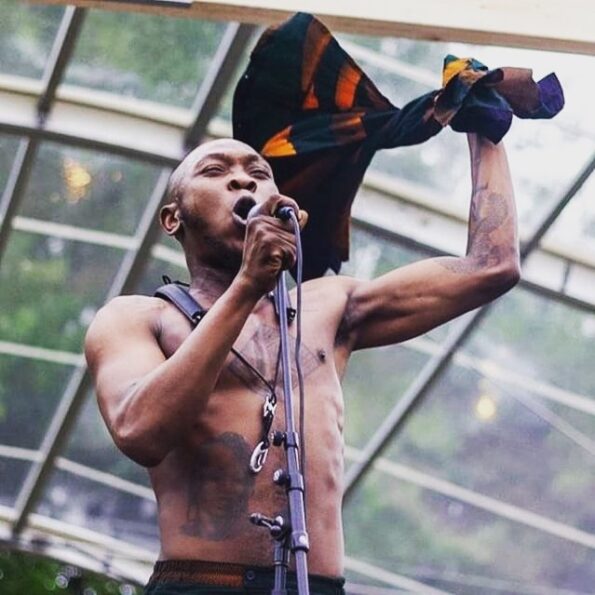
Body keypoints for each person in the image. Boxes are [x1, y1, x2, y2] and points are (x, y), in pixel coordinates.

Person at [84, 133, 520, 594]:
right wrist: (248, 285)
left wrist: (485, 130)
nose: (242, 181)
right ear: (173, 218)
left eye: (258, 173)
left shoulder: (330, 306)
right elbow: (140, 431)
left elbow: (492, 267)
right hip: (203, 581)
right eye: (215, 172)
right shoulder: (137, 318)